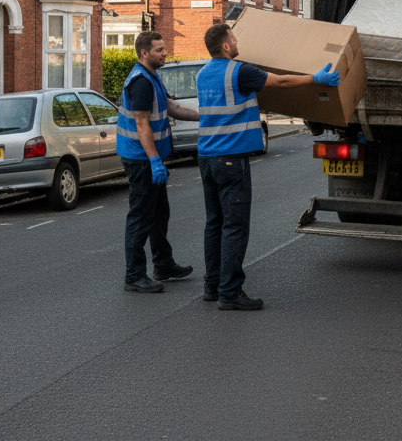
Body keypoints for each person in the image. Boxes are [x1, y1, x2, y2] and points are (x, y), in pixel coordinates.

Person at [197, 23, 340, 311]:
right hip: (231, 158)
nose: (237, 42)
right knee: (235, 226)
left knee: (215, 223)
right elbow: (281, 82)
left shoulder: (202, 73)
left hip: (206, 158)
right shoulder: (239, 71)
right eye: (234, 38)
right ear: (226, 46)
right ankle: (230, 293)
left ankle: (213, 286)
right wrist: (317, 78)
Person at [116, 31, 200, 293]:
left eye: (164, 49)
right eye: (159, 50)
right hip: (141, 159)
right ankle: (134, 275)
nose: (165, 53)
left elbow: (170, 106)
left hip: (148, 159)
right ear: (144, 53)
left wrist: (204, 117)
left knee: (159, 214)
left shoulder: (151, 77)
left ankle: (163, 264)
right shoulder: (140, 82)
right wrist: (154, 160)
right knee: (141, 217)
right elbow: (141, 122)